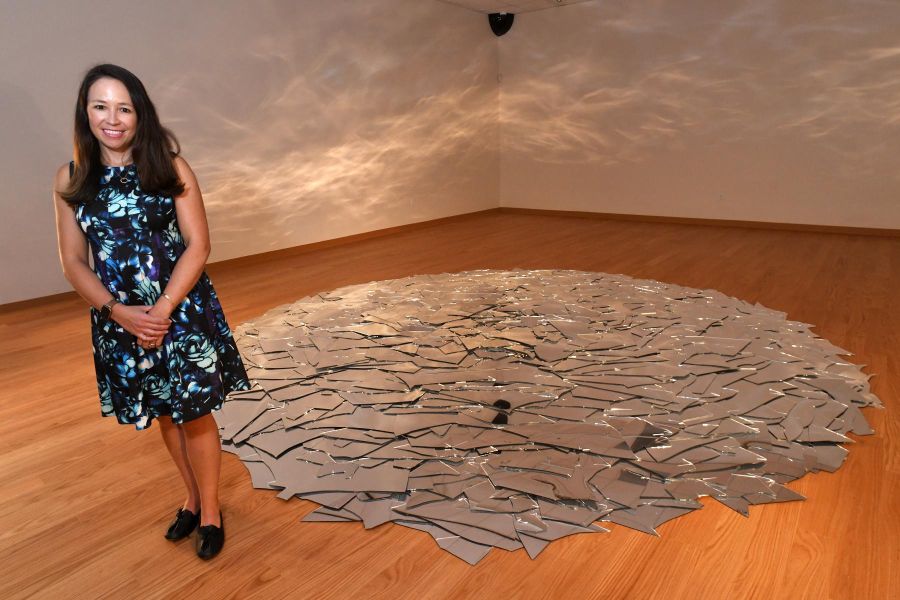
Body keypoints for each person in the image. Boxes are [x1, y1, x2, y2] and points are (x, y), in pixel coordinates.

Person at [52, 64, 251, 560]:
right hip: (121, 320)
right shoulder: (71, 178)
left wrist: (159, 312)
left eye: (124, 107)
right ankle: (192, 496)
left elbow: (198, 245)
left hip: (180, 311)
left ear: (140, 114)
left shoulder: (171, 168)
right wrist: (120, 312)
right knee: (165, 414)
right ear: (86, 112)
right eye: (101, 106)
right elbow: (73, 262)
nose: (112, 119)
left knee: (195, 413)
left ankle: (210, 510)